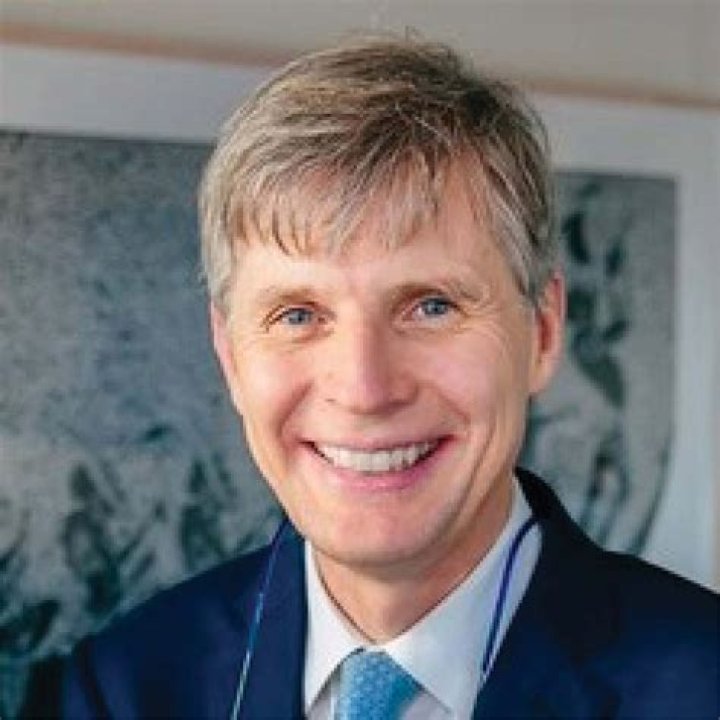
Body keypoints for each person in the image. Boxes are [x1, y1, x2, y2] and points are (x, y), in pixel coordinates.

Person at [61, 35, 719, 719]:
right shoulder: (124, 688)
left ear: (543, 332)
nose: (364, 389)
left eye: (431, 306)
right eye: (298, 315)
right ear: (230, 355)